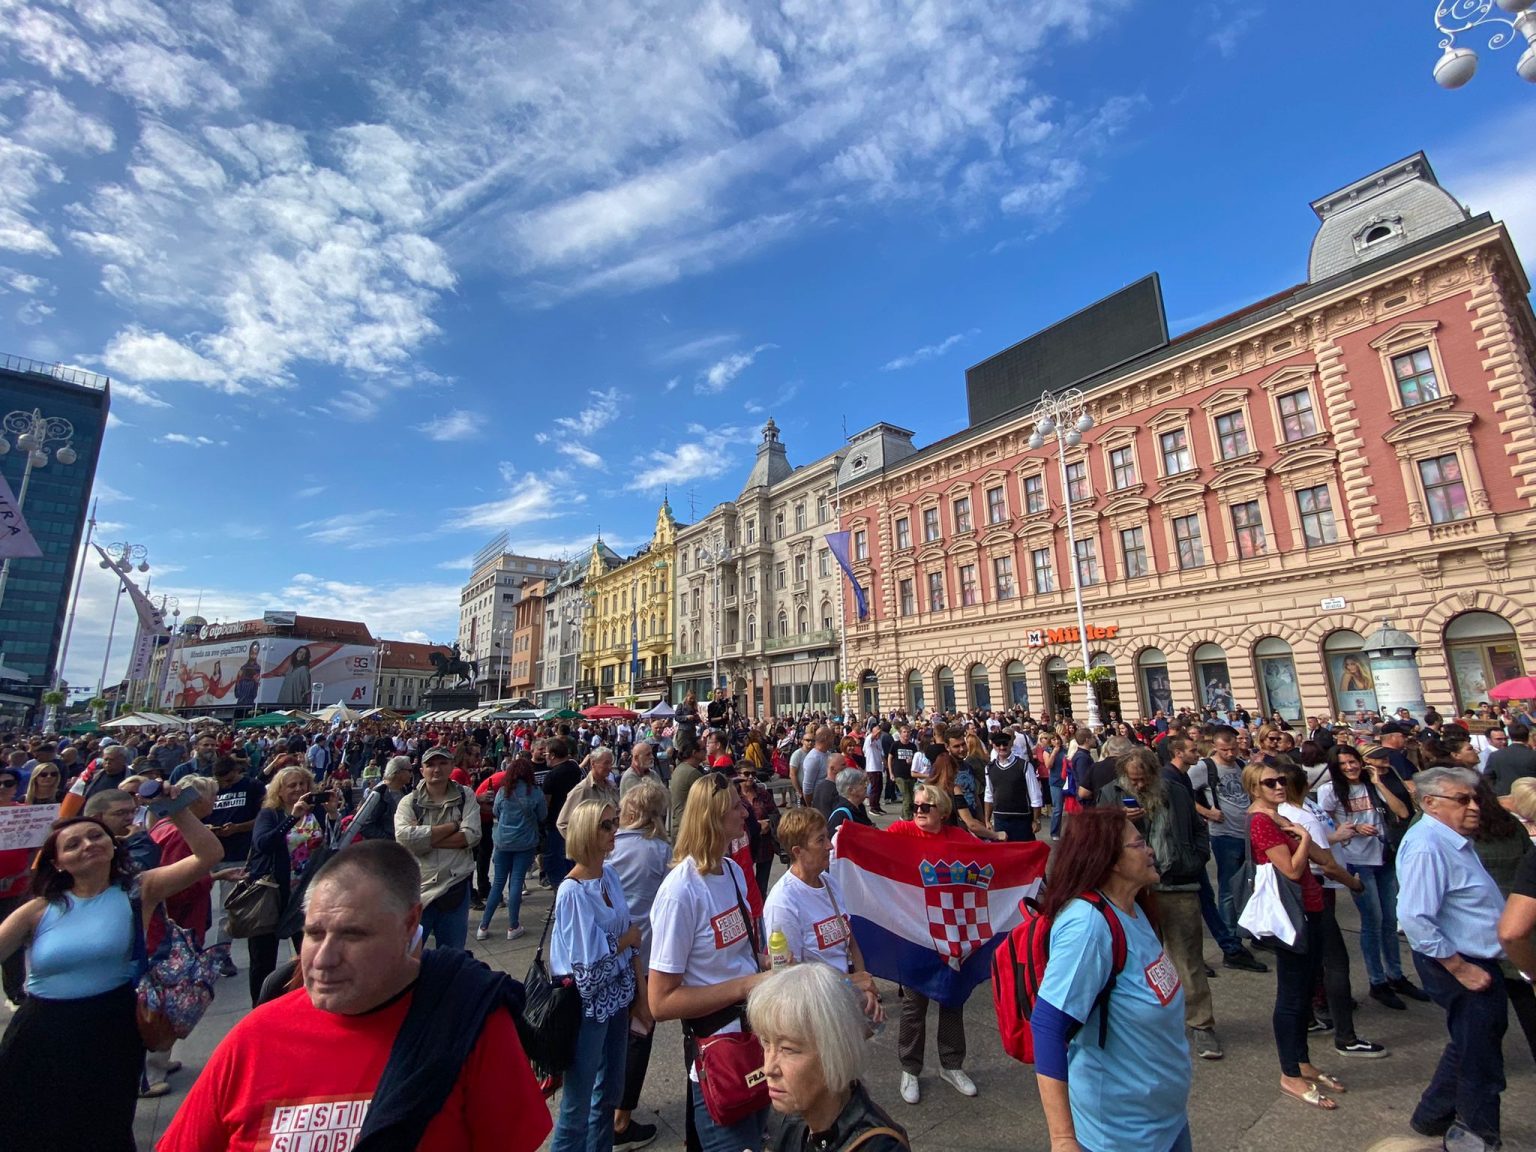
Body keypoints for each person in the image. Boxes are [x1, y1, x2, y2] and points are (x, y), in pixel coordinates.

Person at [160, 839, 553, 1151]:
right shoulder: (254, 1037)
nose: (324, 959)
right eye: (314, 933)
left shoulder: (471, 1024)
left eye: (353, 934)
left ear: (409, 924)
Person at [0, 796, 222, 1149]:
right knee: (25, 1127)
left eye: (96, 836)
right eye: (73, 844)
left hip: (110, 1027)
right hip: (40, 1032)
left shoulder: (140, 890)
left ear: (112, 844)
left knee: (103, 1128)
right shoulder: (38, 910)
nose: (88, 844)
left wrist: (177, 806)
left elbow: (208, 856)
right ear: (57, 863)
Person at [1032, 806, 1191, 1152]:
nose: (1150, 850)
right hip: (1119, 1136)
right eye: (1138, 844)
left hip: (1165, 1121)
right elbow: (1047, 1026)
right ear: (1110, 860)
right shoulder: (1088, 927)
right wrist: (1062, 1139)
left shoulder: (1135, 907)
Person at [649, 774, 770, 1152]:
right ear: (715, 818)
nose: (744, 810)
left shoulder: (732, 871)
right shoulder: (680, 892)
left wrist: (769, 964)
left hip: (757, 1042)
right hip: (718, 1058)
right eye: (736, 805)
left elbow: (740, 954)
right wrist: (744, 986)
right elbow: (661, 1002)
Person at [1396, 766, 1510, 1148]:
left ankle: (1432, 1114)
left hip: (1473, 958)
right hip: (1458, 961)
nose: (1475, 806)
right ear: (1430, 803)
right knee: (1481, 1060)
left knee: (1471, 1040)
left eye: (1475, 797)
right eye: (1462, 800)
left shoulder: (1449, 838)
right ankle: (1477, 1138)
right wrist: (1460, 968)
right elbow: (1414, 917)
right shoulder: (1428, 844)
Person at [1245, 761, 1347, 1110]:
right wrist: (1302, 836)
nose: (1278, 786)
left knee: (1304, 990)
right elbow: (1290, 869)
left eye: (1281, 781)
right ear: (1255, 788)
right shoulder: (1262, 822)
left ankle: (1303, 1062)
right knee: (1291, 996)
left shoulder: (1277, 817)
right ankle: (1290, 1073)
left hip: (1311, 907)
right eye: (1269, 783)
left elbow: (1319, 860)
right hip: (1292, 914)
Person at [551, 800, 647, 1152]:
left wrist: (640, 991)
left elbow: (627, 939)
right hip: (587, 1010)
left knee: (609, 1093)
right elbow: (588, 974)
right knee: (577, 1107)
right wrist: (625, 942)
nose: (614, 832)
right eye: (606, 826)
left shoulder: (609, 875)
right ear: (587, 833)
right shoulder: (572, 892)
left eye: (614, 823)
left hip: (618, 1002)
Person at [1274, 762, 1386, 1058]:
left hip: (1306, 888)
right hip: (1315, 888)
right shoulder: (1298, 816)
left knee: (1311, 959)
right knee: (1335, 961)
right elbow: (1326, 863)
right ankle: (1346, 1036)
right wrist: (1355, 884)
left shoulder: (1294, 811)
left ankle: (1311, 1018)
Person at [887, 783, 983, 1104]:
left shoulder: (958, 837)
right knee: (914, 1006)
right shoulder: (902, 831)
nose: (918, 812)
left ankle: (951, 1064)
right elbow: (871, 847)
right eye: (915, 806)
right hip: (915, 935)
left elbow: (988, 860)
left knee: (952, 1000)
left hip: (952, 933)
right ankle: (910, 1069)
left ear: (942, 811)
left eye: (925, 807)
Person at [751, 963, 908, 1152]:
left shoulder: (881, 1147)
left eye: (787, 1049)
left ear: (836, 1052)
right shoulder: (797, 1118)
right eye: (766, 1043)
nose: (768, 1068)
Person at [1315, 744, 1419, 1010]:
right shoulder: (1329, 791)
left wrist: (1378, 783)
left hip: (1383, 856)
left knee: (1389, 919)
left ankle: (1395, 974)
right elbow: (1324, 823)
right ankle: (1377, 981)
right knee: (1372, 922)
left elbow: (1403, 812)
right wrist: (1349, 828)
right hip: (1357, 861)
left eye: (1354, 762)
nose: (1350, 767)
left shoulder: (1372, 784)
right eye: (1344, 764)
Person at [763, 807, 882, 1018]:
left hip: (843, 1002)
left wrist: (864, 986)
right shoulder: (783, 902)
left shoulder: (829, 882)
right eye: (820, 840)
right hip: (815, 1013)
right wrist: (850, 982)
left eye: (827, 837)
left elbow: (849, 940)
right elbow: (791, 975)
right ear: (798, 851)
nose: (829, 846)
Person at [609, 781, 671, 1150]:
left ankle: (608, 1109)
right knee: (639, 1032)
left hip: (609, 952)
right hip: (643, 954)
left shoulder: (611, 844)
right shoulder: (659, 850)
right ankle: (622, 1119)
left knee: (615, 1031)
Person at [246, 765, 334, 1006]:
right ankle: (260, 1010)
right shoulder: (270, 813)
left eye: (302, 784)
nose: (298, 789)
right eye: (291, 785)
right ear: (280, 790)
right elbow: (263, 843)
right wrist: (292, 818)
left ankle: (307, 1004)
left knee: (309, 956)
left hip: (305, 896)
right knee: (263, 962)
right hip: (272, 894)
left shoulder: (314, 812)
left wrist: (334, 815)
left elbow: (332, 846)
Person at [396, 745, 481, 950]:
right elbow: (404, 838)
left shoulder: (464, 795)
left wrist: (424, 839)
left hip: (455, 885)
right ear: (422, 769)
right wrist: (453, 826)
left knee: (452, 955)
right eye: (431, 764)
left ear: (452, 766)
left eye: (443, 763)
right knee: (408, 956)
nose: (437, 769)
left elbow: (471, 835)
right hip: (420, 889)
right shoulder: (409, 802)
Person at [477, 756, 545, 941]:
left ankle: (483, 926)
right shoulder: (535, 792)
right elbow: (542, 815)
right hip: (525, 842)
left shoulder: (503, 792)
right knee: (515, 882)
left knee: (498, 883)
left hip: (502, 841)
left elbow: (495, 811)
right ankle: (513, 925)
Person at [983, 727, 1042, 843]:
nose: (1002, 747)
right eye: (998, 744)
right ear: (994, 746)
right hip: (1000, 819)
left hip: (1022, 819)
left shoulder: (1024, 766)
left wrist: (1036, 820)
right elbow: (989, 794)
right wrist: (987, 820)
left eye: (1005, 744)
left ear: (1010, 744)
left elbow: (1035, 795)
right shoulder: (990, 768)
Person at [827, 768, 875, 839]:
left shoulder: (859, 807)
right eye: (861, 783)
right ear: (851, 790)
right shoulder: (841, 815)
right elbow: (835, 845)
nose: (865, 786)